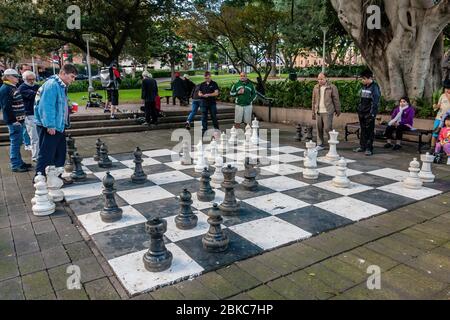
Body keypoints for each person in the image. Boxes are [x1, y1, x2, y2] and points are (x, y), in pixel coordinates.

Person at [34, 64, 78, 177]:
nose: (73, 80)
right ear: (63, 73)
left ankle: (55, 177)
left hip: (58, 124)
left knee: (59, 153)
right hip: (50, 125)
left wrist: (68, 110)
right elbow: (46, 106)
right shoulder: (52, 85)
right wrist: (50, 125)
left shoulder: (60, 85)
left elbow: (58, 105)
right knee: (46, 154)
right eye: (72, 76)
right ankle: (39, 178)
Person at [0, 69, 30, 172]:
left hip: (18, 121)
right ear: (8, 77)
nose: (18, 78)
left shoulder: (11, 87)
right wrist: (13, 120)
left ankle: (19, 162)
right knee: (15, 143)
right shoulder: (6, 89)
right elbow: (6, 107)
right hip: (14, 122)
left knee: (18, 142)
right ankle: (16, 165)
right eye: (15, 76)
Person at [354, 69, 381, 156]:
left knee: (369, 131)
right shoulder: (364, 87)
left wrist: (372, 113)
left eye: (363, 79)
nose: (362, 81)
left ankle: (369, 148)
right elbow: (360, 99)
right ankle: (362, 146)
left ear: (368, 78)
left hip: (369, 113)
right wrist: (359, 109)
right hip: (362, 112)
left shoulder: (374, 87)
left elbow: (375, 102)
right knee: (363, 130)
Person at [311, 73, 341, 150]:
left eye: (321, 79)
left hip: (328, 111)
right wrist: (313, 112)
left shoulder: (332, 87)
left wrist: (338, 110)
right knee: (319, 128)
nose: (319, 81)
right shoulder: (316, 87)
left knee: (328, 128)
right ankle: (320, 144)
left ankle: (331, 142)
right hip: (318, 111)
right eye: (318, 79)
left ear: (326, 78)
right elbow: (313, 100)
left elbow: (336, 99)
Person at [18, 70, 40, 162]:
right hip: (29, 114)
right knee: (34, 137)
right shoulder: (22, 88)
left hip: (38, 113)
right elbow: (35, 95)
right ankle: (35, 157)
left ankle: (41, 154)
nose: (32, 81)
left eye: (33, 79)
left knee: (40, 136)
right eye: (29, 79)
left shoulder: (36, 86)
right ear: (24, 79)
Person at [431, 79, 450, 152]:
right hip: (439, 117)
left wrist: (448, 96)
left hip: (447, 119)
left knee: (445, 134)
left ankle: (445, 149)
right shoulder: (442, 96)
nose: (447, 90)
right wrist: (436, 106)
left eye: (449, 89)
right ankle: (432, 147)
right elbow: (439, 105)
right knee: (435, 133)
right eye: (446, 89)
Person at [198, 71, 220, 136]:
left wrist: (209, 95)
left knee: (214, 117)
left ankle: (217, 130)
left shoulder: (214, 84)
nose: (206, 79)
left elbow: (216, 93)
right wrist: (201, 95)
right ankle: (204, 131)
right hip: (203, 103)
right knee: (204, 118)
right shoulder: (202, 84)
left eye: (207, 78)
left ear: (210, 76)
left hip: (212, 103)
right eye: (205, 78)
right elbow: (199, 93)